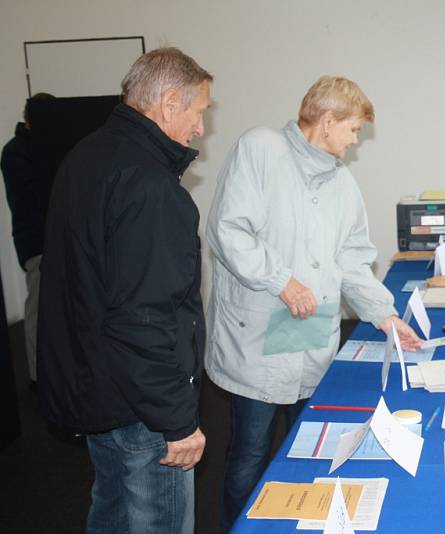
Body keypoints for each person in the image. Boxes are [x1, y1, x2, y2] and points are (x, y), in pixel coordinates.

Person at [206, 75, 423, 531]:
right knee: (251, 450)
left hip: (310, 329)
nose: (355, 140)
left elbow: (351, 260)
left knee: (306, 445)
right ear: (327, 122)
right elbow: (229, 230)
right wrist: (282, 280)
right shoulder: (260, 149)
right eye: (352, 130)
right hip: (260, 334)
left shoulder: (342, 183)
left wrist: (384, 315)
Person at [37, 48, 212, 534]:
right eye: (199, 112)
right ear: (170, 102)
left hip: (96, 387)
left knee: (111, 513)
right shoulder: (150, 185)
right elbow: (144, 316)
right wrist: (177, 421)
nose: (200, 128)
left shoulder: (87, 155)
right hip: (142, 404)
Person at [1, 92, 54, 387]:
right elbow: (30, 196)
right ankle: (37, 375)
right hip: (35, 241)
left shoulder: (38, 148)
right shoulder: (16, 151)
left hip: (52, 239)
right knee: (37, 310)